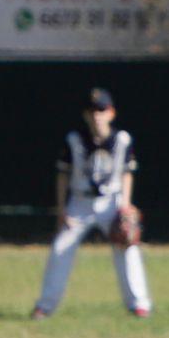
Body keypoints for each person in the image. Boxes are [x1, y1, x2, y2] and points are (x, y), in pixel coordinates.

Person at [31, 87, 153, 320]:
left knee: (127, 248)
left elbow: (127, 173)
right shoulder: (74, 140)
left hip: (111, 202)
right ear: (85, 115)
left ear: (111, 113)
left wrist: (126, 204)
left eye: (101, 110)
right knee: (60, 249)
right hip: (80, 203)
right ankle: (45, 306)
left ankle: (139, 305)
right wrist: (62, 208)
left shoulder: (122, 140)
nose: (96, 115)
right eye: (92, 111)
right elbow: (63, 174)